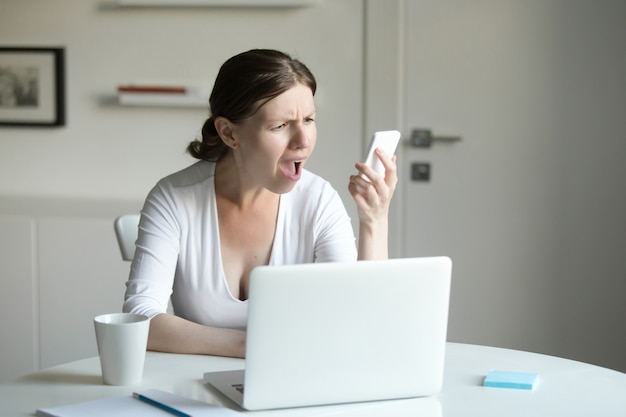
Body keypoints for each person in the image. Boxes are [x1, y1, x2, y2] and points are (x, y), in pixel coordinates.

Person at [123, 49, 397, 359]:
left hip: (297, 379)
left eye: (308, 119)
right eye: (280, 126)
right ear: (229, 133)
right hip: (195, 386)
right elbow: (140, 317)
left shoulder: (318, 200)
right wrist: (252, 346)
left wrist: (374, 221)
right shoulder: (174, 198)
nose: (303, 141)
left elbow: (362, 320)